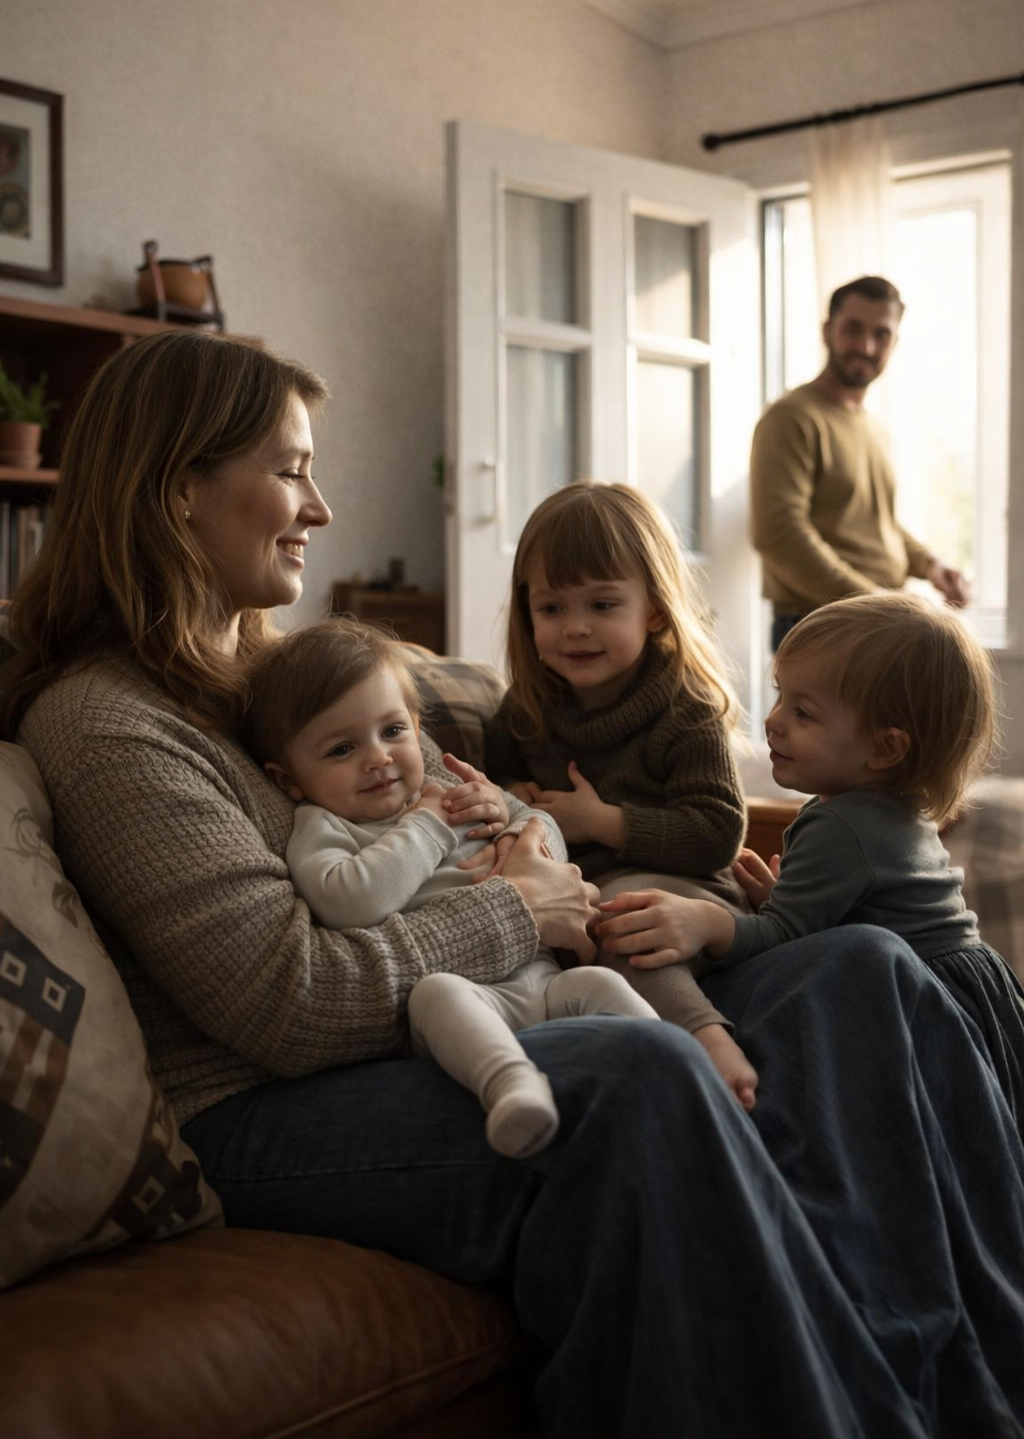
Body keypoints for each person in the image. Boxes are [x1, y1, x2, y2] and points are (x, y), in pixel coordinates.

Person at [3, 328, 1023, 1439]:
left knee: (855, 972)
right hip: (263, 1108)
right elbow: (286, 1003)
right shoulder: (108, 723)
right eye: (291, 469)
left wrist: (608, 862)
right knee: (630, 1073)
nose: (321, 507)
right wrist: (519, 906)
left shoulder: (284, 683)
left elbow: (495, 797)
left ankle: (962, 1391)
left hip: (466, 1009)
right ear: (175, 493)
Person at [595, 592, 1024, 1135]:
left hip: (921, 1006)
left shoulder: (843, 825)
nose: (773, 722)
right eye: (781, 697)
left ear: (885, 749)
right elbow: (861, 910)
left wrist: (707, 922)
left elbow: (788, 941)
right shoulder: (891, 806)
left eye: (804, 712)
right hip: (975, 990)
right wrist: (784, 897)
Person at [243, 615, 657, 1159]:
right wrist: (428, 827)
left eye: (392, 732)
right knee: (433, 996)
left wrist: (512, 828)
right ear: (288, 779)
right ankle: (512, 1086)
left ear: (417, 730)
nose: (378, 758)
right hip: (467, 997)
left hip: (545, 979)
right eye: (341, 750)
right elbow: (350, 901)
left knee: (603, 985)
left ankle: (669, 1054)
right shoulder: (323, 826)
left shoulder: (451, 787)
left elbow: (541, 827)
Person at [484, 481, 758, 1108]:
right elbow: (488, 779)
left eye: (603, 605)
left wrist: (603, 822)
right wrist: (509, 797)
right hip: (579, 901)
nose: (575, 629)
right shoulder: (527, 708)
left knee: (620, 917)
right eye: (552, 608)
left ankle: (707, 1038)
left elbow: (717, 830)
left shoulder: (685, 705)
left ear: (655, 608)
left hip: (687, 897)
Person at [750, 275, 969, 651]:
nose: (866, 346)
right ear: (826, 331)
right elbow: (780, 535)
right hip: (823, 624)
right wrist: (879, 603)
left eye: (881, 334)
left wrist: (930, 564)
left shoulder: (874, 427)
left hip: (873, 621)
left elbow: (874, 521)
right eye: (853, 329)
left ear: (895, 343)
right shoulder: (791, 418)